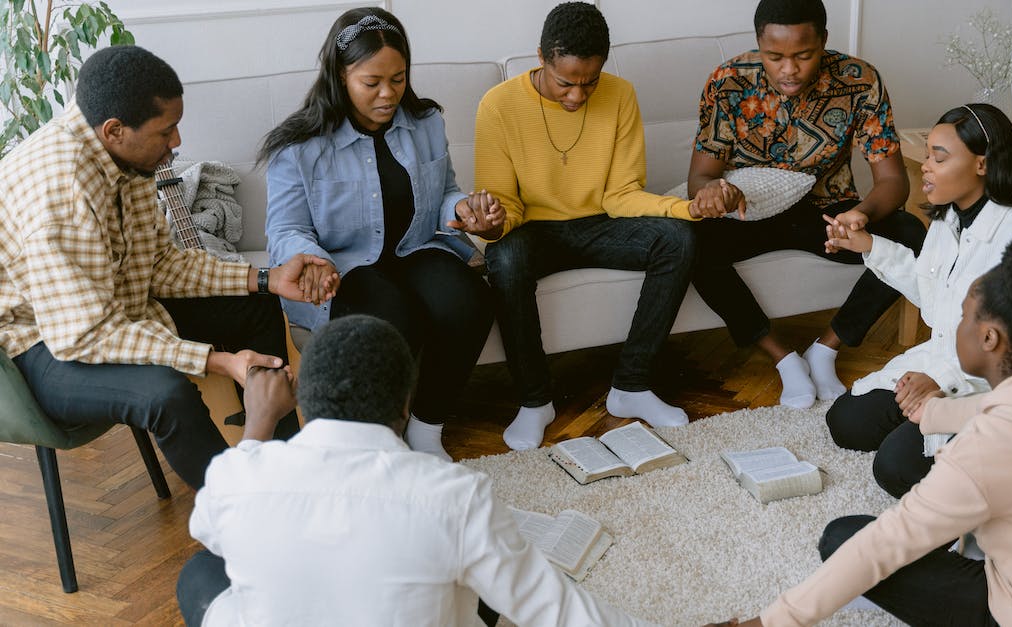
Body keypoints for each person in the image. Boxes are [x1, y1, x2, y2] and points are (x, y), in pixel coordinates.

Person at [704, 234, 1012, 627]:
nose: (955, 329)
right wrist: (933, 414)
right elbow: (1006, 405)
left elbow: (891, 541)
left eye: (962, 318)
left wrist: (763, 624)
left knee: (846, 538)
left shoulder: (991, 447)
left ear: (988, 339)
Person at [175, 315, 655, 627]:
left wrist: (260, 421)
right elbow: (560, 612)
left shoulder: (238, 477)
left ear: (301, 396)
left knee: (201, 572)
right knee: (476, 573)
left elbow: (210, 528)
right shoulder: (454, 495)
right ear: (405, 402)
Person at [0, 45, 334, 490]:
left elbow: (157, 266)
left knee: (254, 305)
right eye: (166, 131)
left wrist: (265, 278)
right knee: (165, 394)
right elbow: (85, 334)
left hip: (105, 313)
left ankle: (283, 469)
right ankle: (238, 513)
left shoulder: (126, 158)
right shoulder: (61, 196)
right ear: (115, 130)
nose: (176, 142)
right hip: (38, 347)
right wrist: (217, 361)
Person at [261, 8, 498, 462]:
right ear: (340, 75)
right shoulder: (299, 145)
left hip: (415, 246)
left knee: (470, 301)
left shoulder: (426, 122)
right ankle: (381, 439)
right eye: (372, 83)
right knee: (390, 317)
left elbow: (445, 191)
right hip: (346, 261)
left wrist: (463, 210)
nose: (388, 94)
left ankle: (427, 428)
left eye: (399, 78)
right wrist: (312, 258)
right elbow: (287, 229)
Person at [475, 2, 712, 450]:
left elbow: (622, 193)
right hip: (532, 230)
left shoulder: (621, 95)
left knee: (678, 239)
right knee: (505, 258)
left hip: (603, 222)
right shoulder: (499, 106)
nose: (578, 96)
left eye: (590, 82)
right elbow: (506, 208)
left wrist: (687, 210)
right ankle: (535, 401)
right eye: (565, 82)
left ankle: (632, 387)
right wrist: (490, 227)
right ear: (541, 57)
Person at [822, 103, 1012, 499]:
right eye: (928, 154)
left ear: (982, 164)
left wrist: (940, 383)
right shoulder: (950, 220)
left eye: (938, 157)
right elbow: (931, 290)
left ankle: (1008, 462)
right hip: (951, 358)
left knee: (895, 468)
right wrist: (867, 244)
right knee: (846, 422)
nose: (926, 166)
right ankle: (923, 420)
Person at [687, 0, 926, 409]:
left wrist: (860, 215)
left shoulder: (859, 80)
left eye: (803, 55)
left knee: (910, 233)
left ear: (824, 42)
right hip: (752, 212)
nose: (788, 70)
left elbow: (892, 181)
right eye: (774, 56)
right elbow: (700, 177)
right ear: (759, 44)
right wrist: (713, 192)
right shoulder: (728, 81)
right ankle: (783, 360)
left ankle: (826, 349)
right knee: (687, 241)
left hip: (828, 214)